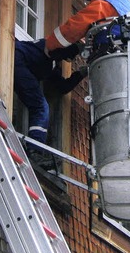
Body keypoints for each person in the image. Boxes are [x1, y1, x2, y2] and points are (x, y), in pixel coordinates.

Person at [14, 38, 87, 170]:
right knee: (41, 108)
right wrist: (79, 46)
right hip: (17, 58)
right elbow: (58, 50)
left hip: (20, 62)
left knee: (40, 106)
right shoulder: (49, 46)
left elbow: (62, 87)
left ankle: (35, 150)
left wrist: (81, 73)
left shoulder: (51, 65)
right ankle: (34, 151)